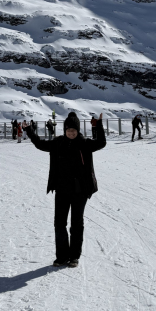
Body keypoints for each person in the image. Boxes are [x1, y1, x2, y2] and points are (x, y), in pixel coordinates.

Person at [24, 111, 106, 268]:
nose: (71, 133)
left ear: (78, 130)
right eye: (69, 130)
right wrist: (29, 130)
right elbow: (40, 144)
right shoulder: (58, 143)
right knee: (59, 223)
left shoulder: (85, 144)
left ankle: (74, 256)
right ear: (65, 130)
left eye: (74, 130)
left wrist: (99, 125)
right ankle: (62, 256)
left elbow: (101, 142)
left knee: (76, 224)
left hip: (80, 191)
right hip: (62, 190)